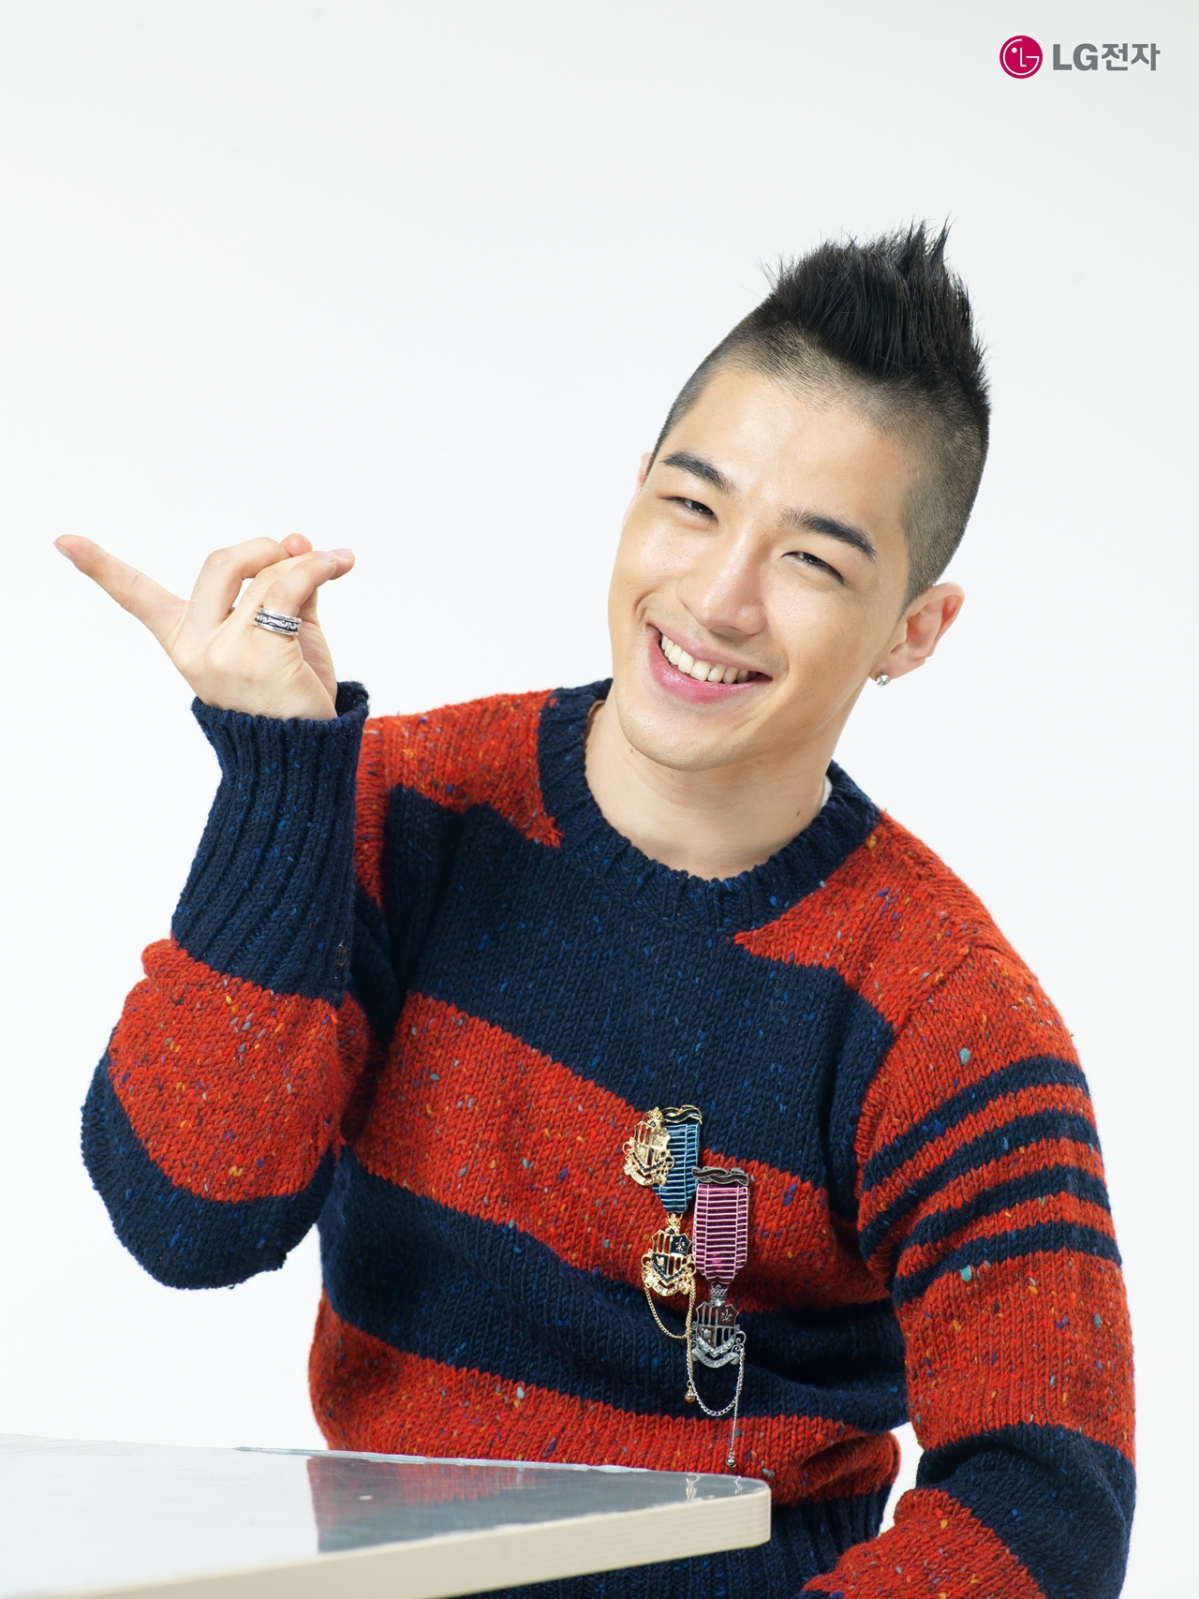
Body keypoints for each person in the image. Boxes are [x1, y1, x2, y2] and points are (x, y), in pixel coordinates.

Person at [59, 226, 1134, 1599]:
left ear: (913, 631)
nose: (718, 597)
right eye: (693, 506)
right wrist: (278, 776)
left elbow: (1048, 1502)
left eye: (813, 562)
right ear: (635, 495)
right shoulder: (410, 809)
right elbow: (187, 1216)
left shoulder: (940, 1009)